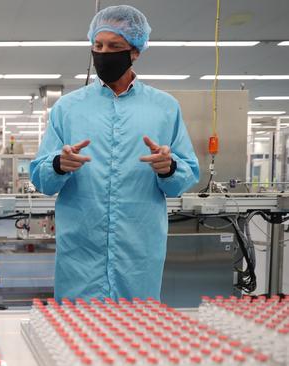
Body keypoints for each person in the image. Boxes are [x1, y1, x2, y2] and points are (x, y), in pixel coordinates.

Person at [30, 5, 200, 301]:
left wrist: (168, 168)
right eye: (98, 45)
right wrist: (59, 164)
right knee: (73, 340)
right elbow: (41, 180)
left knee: (135, 338)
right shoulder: (68, 109)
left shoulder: (164, 108)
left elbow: (185, 177)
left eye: (114, 46)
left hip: (137, 255)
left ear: (135, 51)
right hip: (80, 255)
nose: (104, 52)